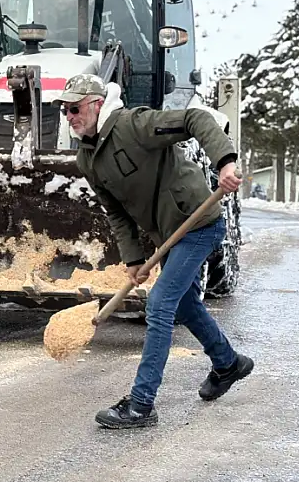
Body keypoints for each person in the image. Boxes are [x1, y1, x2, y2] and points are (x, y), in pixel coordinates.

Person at [55, 74, 253, 429]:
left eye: (74, 108)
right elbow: (115, 211)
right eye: (64, 110)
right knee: (185, 303)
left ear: (97, 104)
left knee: (161, 304)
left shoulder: (136, 125)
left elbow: (196, 118)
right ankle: (228, 363)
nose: (69, 116)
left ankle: (141, 404)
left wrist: (224, 161)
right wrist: (133, 259)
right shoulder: (87, 158)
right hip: (167, 235)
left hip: (198, 223)